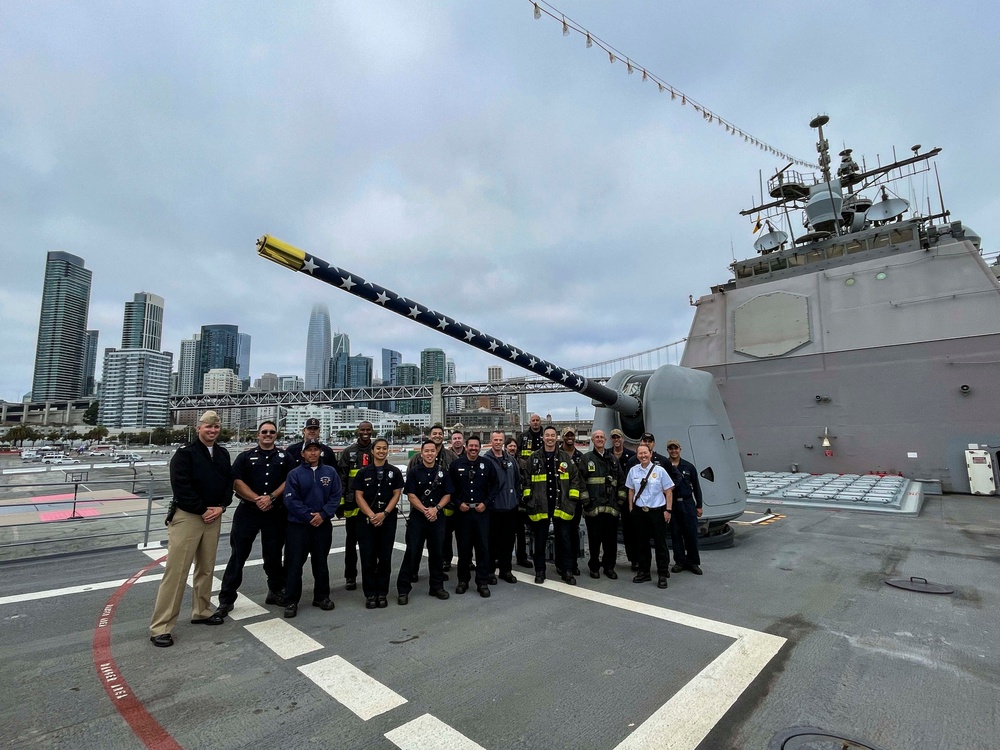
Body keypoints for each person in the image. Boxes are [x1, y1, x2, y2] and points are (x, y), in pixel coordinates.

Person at [149, 410, 233, 647]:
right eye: (208, 427)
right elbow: (181, 486)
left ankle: (202, 610)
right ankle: (161, 627)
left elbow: (229, 481)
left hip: (214, 516)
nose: (212, 431)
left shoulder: (223, 453)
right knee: (177, 573)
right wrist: (202, 509)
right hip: (188, 517)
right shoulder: (185, 454)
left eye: (216, 428)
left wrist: (222, 506)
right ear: (199, 428)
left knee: (206, 568)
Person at [216, 421, 290, 616]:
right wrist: (257, 499)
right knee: (238, 555)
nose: (268, 435)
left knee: (273, 556)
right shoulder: (245, 457)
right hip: (248, 511)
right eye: (264, 432)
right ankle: (226, 599)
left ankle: (275, 591)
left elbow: (290, 479)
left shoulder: (285, 457)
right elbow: (236, 481)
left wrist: (271, 497)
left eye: (272, 432)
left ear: (276, 435)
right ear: (258, 435)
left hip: (275, 512)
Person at [282, 439, 341, 618]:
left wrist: (323, 515)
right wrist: (309, 516)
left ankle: (322, 596)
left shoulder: (330, 472)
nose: (313, 453)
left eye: (316, 450)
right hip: (298, 527)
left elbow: (336, 495)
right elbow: (291, 499)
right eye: (309, 450)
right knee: (294, 564)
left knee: (321, 563)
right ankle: (291, 600)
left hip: (322, 525)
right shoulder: (294, 474)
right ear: (302, 453)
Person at [521, 425, 584, 585]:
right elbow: (526, 479)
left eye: (552, 435)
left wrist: (572, 500)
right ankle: (540, 571)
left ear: (556, 438)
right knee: (540, 541)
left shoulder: (565, 458)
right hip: (541, 506)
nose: (549, 438)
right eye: (547, 435)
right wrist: (529, 498)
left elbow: (575, 479)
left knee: (565, 540)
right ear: (543, 438)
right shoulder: (534, 458)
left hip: (561, 505)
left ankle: (566, 570)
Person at [397, 440, 453, 604]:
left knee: (436, 554)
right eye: (426, 451)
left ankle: (436, 587)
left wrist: (435, 509)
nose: (429, 454)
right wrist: (425, 510)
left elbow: (447, 494)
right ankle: (403, 590)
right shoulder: (414, 472)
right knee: (412, 552)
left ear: (436, 454)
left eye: (432, 451)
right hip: (418, 518)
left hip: (437, 517)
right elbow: (411, 495)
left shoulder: (443, 472)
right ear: (421, 454)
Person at [352, 438, 403, 609]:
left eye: (384, 448)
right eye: (378, 448)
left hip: (387, 519)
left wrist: (385, 514)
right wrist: (372, 515)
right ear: (372, 451)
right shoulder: (363, 472)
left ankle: (382, 593)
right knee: (367, 558)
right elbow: (358, 496)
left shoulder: (394, 472)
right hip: (367, 519)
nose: (381, 451)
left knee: (385, 558)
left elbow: (397, 494)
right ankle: (370, 594)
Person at [406, 424, 455, 582]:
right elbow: (411, 488)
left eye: (440, 433)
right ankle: (411, 572)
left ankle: (438, 577)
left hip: (441, 510)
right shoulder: (415, 461)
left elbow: (451, 484)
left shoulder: (450, 456)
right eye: (434, 433)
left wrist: (436, 509)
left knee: (438, 547)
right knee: (414, 546)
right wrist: (424, 510)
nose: (438, 436)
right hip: (419, 512)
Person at [450, 436, 497, 597]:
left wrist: (486, 503)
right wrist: (457, 503)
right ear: (466, 446)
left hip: (481, 513)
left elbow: (495, 486)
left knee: (483, 548)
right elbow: (451, 488)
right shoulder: (456, 465)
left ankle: (482, 582)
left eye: (476, 446)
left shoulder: (487, 464)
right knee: (464, 549)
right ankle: (463, 581)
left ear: (480, 447)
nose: (473, 448)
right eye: (471, 446)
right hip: (463, 513)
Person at [625, 444, 674, 589]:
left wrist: (668, 510)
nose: (643, 456)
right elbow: (631, 490)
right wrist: (631, 508)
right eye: (640, 453)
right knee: (642, 543)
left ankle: (662, 574)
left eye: (645, 453)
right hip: (640, 512)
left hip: (657, 511)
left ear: (650, 454)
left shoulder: (660, 471)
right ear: (637, 455)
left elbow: (668, 491)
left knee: (660, 544)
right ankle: (644, 572)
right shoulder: (633, 471)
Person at [579, 430, 625, 579]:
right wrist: (586, 502)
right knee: (594, 540)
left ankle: (609, 567)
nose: (599, 439)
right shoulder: (586, 459)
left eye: (601, 437)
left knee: (610, 541)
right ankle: (594, 567)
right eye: (596, 437)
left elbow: (621, 482)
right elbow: (581, 482)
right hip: (593, 508)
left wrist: (620, 501)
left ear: (605, 440)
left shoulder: (613, 460)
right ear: (593, 440)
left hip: (611, 508)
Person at [337, 421, 375, 592]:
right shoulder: (348, 452)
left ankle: (372, 571)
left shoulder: (376, 450)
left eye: (368, 430)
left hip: (372, 503)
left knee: (373, 543)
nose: (365, 432)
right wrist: (341, 503)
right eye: (362, 430)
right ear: (358, 431)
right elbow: (342, 478)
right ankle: (350, 576)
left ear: (372, 431)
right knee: (351, 543)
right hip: (353, 504)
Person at [485, 431, 521, 584]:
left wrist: (515, 499)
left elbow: (517, 481)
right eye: (496, 440)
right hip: (493, 509)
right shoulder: (485, 461)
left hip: (510, 508)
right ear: (491, 441)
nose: (498, 442)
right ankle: (490, 571)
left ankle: (506, 570)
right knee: (492, 542)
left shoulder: (511, 460)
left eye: (501, 440)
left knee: (508, 541)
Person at [666, 439, 704, 575]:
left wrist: (699, 505)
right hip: (673, 504)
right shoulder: (665, 467)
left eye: (675, 448)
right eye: (671, 449)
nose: (673, 451)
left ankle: (693, 562)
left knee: (691, 534)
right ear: (668, 451)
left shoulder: (689, 467)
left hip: (688, 504)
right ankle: (680, 561)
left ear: (680, 449)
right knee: (676, 534)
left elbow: (696, 487)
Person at [515, 415, 544, 567]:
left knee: (539, 524)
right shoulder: (522, 437)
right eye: (533, 420)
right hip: (525, 481)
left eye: (537, 420)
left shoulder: (545, 436)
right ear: (529, 423)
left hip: (541, 485)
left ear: (541, 422)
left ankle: (539, 554)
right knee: (519, 527)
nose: (535, 422)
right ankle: (521, 556)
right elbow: (517, 456)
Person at [609, 428, 638, 569]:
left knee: (630, 530)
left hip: (627, 498)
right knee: (609, 531)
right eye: (614, 437)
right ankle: (609, 560)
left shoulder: (632, 456)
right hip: (610, 497)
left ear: (622, 439)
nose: (616, 440)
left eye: (618, 437)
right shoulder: (607, 455)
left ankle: (634, 559)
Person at [560, 427, 585, 576]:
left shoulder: (581, 457)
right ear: (562, 437)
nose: (569, 438)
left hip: (575, 502)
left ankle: (573, 563)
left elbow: (582, 480)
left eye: (571, 435)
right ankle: (562, 564)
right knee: (561, 534)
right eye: (566, 435)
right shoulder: (557, 456)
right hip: (560, 501)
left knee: (573, 533)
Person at [440, 429, 466, 572]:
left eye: (459, 438)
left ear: (463, 441)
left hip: (463, 502)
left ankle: (466, 560)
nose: (457, 440)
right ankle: (446, 560)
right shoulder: (447, 457)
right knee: (446, 535)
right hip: (449, 503)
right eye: (454, 438)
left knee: (464, 535)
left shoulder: (469, 455)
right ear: (451, 441)